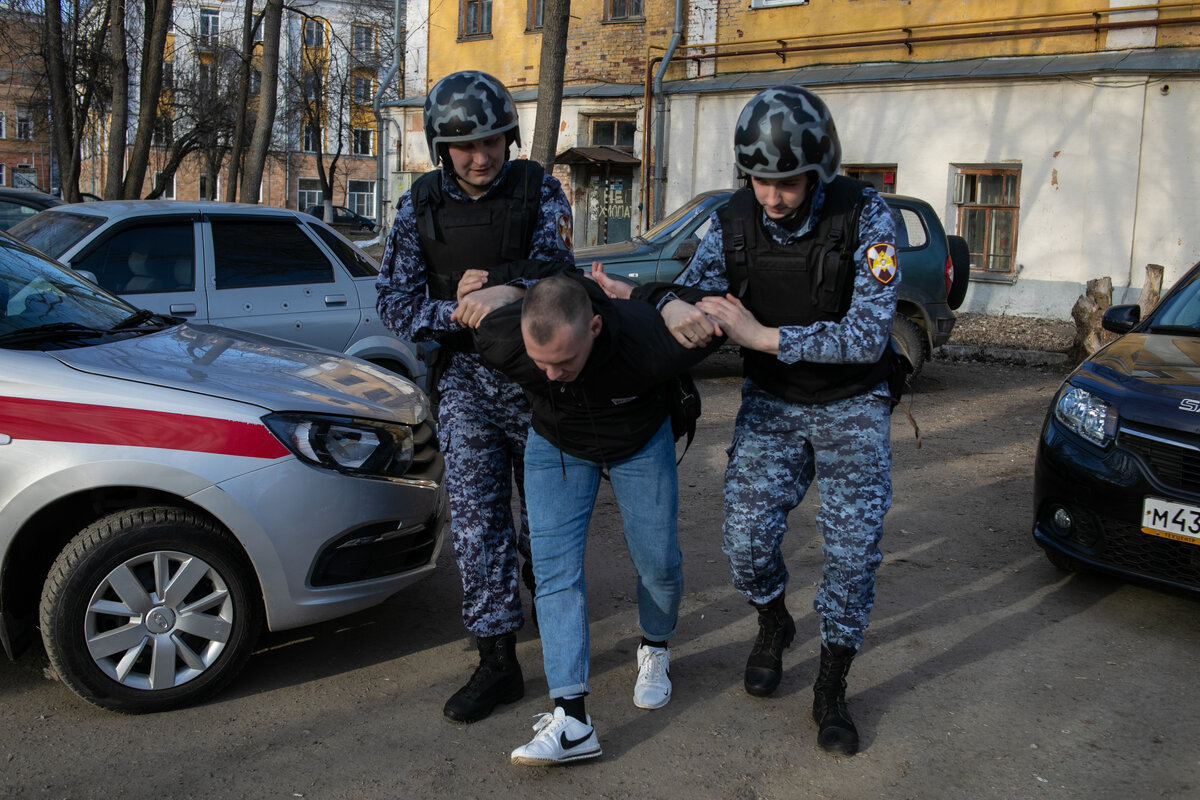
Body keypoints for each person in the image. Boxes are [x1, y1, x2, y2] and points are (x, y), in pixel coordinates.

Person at [595, 85, 899, 756]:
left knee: (851, 558)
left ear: (819, 169)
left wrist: (763, 338)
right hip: (775, 404)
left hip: (853, 403)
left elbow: (869, 335)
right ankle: (774, 622)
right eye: (760, 179)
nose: (772, 196)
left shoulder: (867, 216)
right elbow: (695, 292)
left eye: (787, 181)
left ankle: (830, 686)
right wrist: (648, 300)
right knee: (743, 542)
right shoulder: (734, 221)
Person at [376, 70, 575, 724]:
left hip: (538, 376)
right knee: (477, 519)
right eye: (464, 145)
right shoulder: (419, 206)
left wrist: (505, 290)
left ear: (508, 138)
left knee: (545, 516)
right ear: (441, 147)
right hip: (465, 380)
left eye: (491, 141)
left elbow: (559, 269)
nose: (481, 157)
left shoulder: (540, 190)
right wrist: (456, 310)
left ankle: (556, 617)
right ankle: (497, 659)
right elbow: (395, 304)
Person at [470, 273, 721, 766]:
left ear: (597, 328)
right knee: (553, 570)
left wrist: (661, 297)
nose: (551, 375)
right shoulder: (500, 339)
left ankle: (655, 646)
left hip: (639, 441)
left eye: (563, 362)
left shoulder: (651, 341)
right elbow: (524, 275)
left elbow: (716, 309)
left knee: (658, 561)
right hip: (558, 444)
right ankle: (571, 719)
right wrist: (507, 288)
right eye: (541, 364)